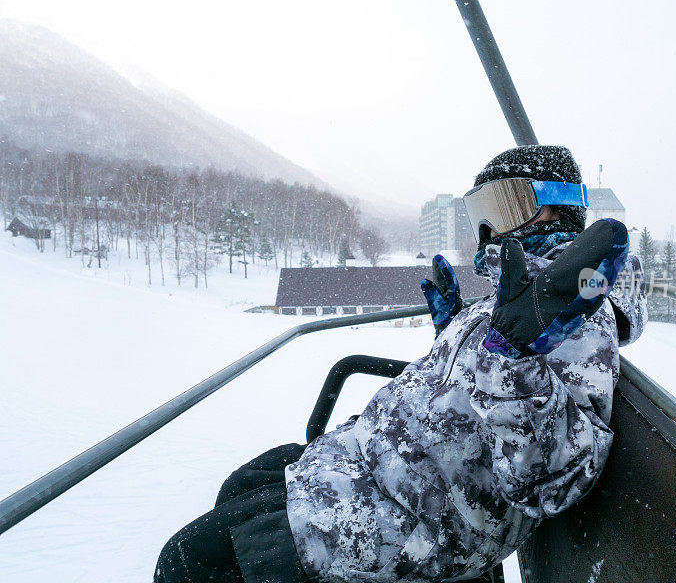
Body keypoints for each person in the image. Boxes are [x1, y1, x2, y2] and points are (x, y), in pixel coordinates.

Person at [154, 145, 647, 583]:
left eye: (506, 204)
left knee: (188, 562)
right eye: (480, 209)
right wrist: (453, 332)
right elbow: (471, 391)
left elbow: (551, 477)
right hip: (386, 466)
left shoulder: (572, 314)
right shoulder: (516, 295)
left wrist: (509, 358)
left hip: (415, 523)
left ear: (560, 208)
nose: (488, 227)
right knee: (243, 486)